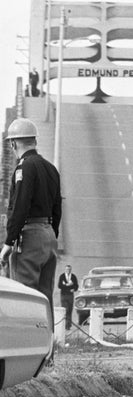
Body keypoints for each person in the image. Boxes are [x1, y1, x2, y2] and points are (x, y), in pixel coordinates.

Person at [1, 118, 62, 315]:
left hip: (29, 236)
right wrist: (51, 235)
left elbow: (20, 206)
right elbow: (57, 208)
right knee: (45, 298)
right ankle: (48, 343)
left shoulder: (23, 168)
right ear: (34, 141)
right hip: (48, 235)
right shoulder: (50, 168)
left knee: (24, 295)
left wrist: (9, 242)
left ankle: (25, 345)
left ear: (13, 143)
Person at [57, 265, 78, 330]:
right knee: (65, 309)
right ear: (65, 270)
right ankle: (65, 324)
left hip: (70, 295)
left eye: (69, 269)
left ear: (70, 270)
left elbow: (76, 286)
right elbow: (59, 286)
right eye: (67, 269)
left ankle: (68, 324)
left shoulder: (73, 276)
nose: (68, 271)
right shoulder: (62, 276)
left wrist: (73, 289)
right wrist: (68, 285)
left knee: (69, 310)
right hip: (63, 295)